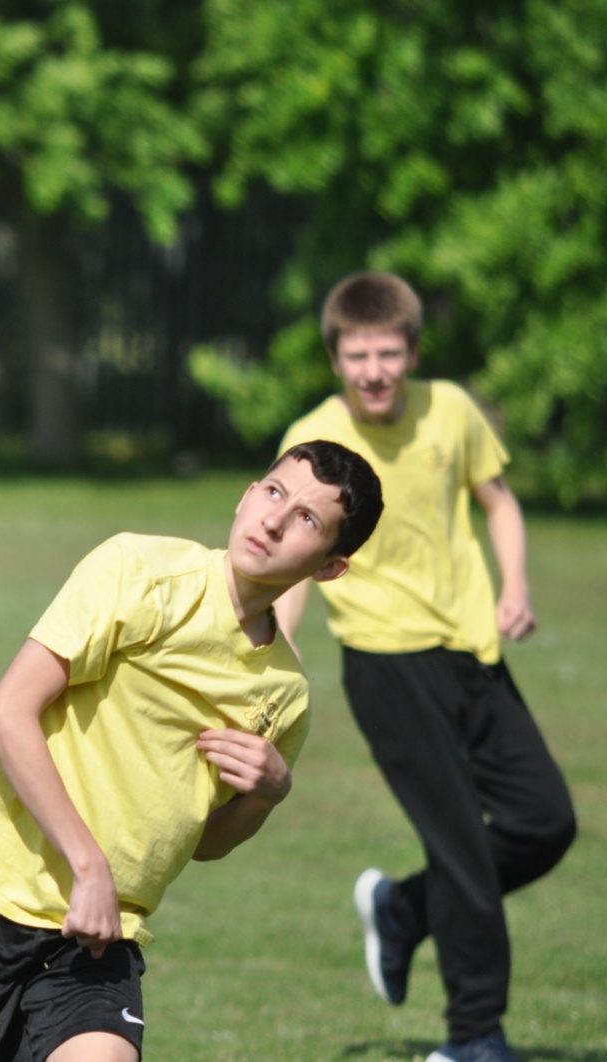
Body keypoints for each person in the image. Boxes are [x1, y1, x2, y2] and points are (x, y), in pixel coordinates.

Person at [0, 440, 383, 1062]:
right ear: (246, 495)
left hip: (98, 932)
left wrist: (266, 796)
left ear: (330, 568)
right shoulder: (141, 571)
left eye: (307, 518)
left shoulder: (285, 694)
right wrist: (90, 868)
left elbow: (203, 841)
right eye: (274, 492)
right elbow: (7, 715)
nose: (275, 521)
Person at [276, 272, 576, 1062]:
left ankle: (404, 909)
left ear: (411, 352)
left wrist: (515, 586)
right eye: (357, 355)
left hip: (473, 651)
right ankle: (473, 1038)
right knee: (463, 850)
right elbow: (292, 555)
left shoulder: (451, 410)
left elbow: (499, 502)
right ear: (335, 358)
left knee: (547, 821)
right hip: (385, 664)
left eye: (387, 353)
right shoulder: (313, 441)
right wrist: (280, 644)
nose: (373, 370)